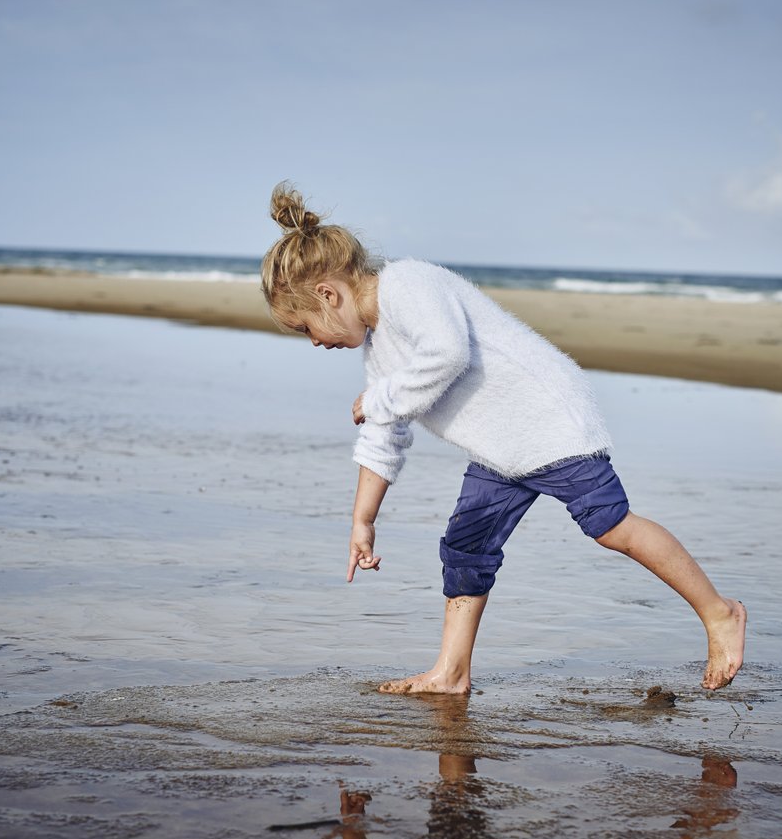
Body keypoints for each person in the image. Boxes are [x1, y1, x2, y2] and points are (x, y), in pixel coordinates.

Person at [260, 182, 746, 695]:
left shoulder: (408, 285)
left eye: (306, 328)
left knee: (610, 525)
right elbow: (384, 435)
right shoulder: (379, 353)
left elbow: (447, 355)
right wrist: (362, 520)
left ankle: (720, 613)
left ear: (328, 295)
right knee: (466, 548)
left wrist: (380, 398)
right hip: (500, 449)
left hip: (547, 421)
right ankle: (451, 673)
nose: (315, 341)